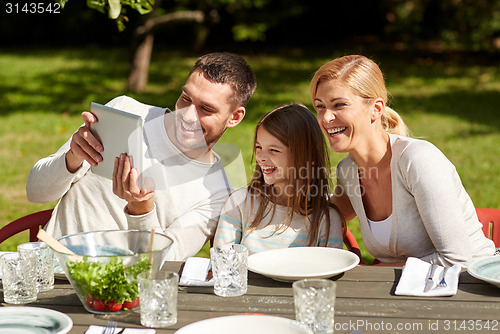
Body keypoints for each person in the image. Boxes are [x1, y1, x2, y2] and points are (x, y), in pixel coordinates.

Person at [26, 52, 257, 261]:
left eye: (206, 109)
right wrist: (72, 158)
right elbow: (35, 192)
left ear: (235, 117)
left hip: (124, 293)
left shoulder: (216, 195)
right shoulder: (125, 111)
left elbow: (163, 262)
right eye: (186, 98)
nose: (187, 115)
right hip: (53, 272)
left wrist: (142, 210)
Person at [310, 55, 495, 267]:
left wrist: (376, 273)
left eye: (339, 105)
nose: (325, 118)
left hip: (472, 286)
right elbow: (324, 214)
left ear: (376, 109)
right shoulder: (348, 171)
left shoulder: (417, 161)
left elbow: (456, 258)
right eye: (320, 106)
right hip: (409, 291)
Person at [214, 104, 343, 254]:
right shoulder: (240, 203)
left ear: (303, 156)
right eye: (258, 147)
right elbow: (222, 261)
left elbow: (329, 269)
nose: (261, 157)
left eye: (274, 150)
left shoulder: (325, 219)